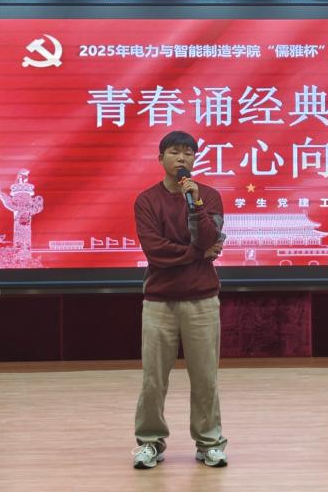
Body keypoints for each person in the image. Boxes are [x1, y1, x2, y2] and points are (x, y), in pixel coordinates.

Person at [131, 130, 229, 469]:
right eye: (175, 152)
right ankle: (150, 442)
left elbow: (209, 237)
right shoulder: (146, 200)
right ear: (161, 158)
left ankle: (209, 442)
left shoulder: (209, 196)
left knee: (205, 378)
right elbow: (155, 251)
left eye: (188, 153)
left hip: (202, 301)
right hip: (159, 302)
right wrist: (198, 253)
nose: (182, 158)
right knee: (153, 379)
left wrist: (196, 204)